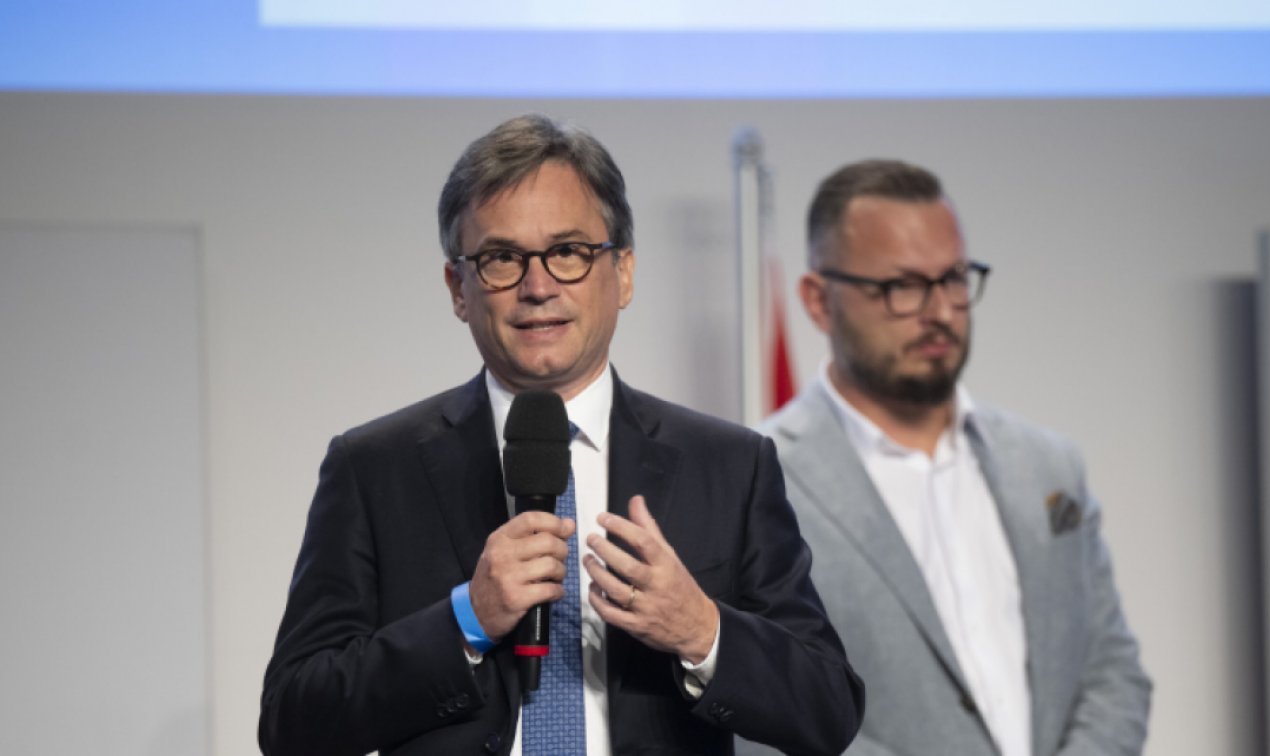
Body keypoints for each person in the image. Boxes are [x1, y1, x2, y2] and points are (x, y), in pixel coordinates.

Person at [259, 114, 863, 756]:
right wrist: (466, 619)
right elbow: (293, 723)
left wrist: (700, 630)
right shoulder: (374, 468)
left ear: (623, 273)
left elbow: (828, 710)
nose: (538, 286)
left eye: (569, 252)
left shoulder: (730, 465)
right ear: (459, 288)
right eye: (502, 258)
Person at [756, 159, 1151, 755]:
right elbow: (769, 714)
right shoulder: (759, 484)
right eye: (903, 287)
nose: (940, 311)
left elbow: (1112, 672)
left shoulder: (1048, 465)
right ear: (819, 301)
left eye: (954, 279)